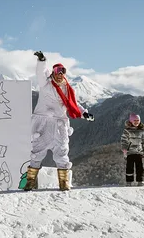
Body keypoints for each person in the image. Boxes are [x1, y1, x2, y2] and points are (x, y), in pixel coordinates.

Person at [24, 51, 94, 191]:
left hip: (59, 124)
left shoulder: (68, 89)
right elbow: (40, 73)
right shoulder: (46, 84)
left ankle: (63, 183)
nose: (60, 73)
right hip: (43, 124)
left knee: (62, 153)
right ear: (53, 72)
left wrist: (84, 113)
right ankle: (30, 182)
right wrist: (42, 61)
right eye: (57, 70)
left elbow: (74, 104)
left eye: (62, 71)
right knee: (37, 152)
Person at [121, 113, 144, 186]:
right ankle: (129, 182)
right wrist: (124, 148)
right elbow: (124, 140)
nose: (136, 122)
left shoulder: (141, 131)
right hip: (130, 152)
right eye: (135, 120)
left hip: (139, 152)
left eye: (138, 120)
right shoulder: (127, 131)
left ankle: (140, 181)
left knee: (140, 167)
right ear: (131, 121)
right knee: (129, 167)